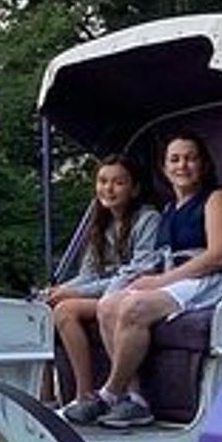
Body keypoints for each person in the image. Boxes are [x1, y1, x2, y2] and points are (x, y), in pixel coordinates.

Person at [73, 131, 222, 429]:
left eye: (190, 158)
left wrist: (161, 281)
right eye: (174, 159)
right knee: (108, 305)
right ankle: (134, 398)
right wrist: (145, 279)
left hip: (209, 278)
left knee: (134, 307)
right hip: (176, 278)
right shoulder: (169, 209)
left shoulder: (217, 199)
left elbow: (219, 256)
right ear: (164, 168)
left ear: (203, 165)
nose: (182, 166)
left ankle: (109, 393)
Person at [48, 157, 158, 420]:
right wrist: (57, 290)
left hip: (134, 292)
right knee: (45, 308)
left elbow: (137, 272)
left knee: (66, 309)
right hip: (107, 292)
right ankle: (55, 396)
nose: (108, 189)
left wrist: (76, 294)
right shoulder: (101, 223)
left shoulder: (148, 219)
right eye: (103, 181)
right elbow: (88, 274)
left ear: (134, 189)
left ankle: (87, 396)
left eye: (118, 183)